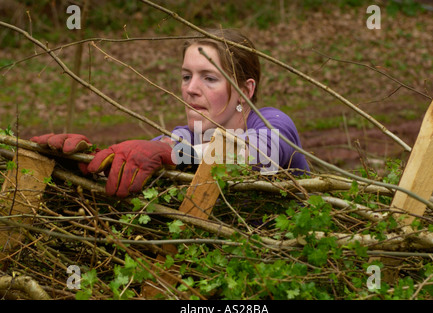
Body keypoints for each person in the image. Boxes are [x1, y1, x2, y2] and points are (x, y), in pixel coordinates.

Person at [31, 28, 310, 198]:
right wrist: (84, 162)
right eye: (186, 76)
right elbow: (136, 162)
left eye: (209, 78)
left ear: (245, 90)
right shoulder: (182, 137)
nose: (190, 89)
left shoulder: (272, 123)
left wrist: (175, 156)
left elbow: (253, 155)